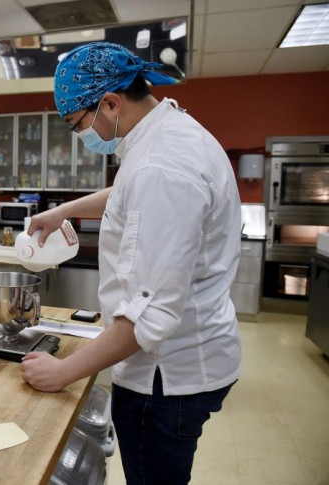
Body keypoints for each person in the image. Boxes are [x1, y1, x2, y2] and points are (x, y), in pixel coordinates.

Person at [20, 42, 242, 485]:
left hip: (166, 378)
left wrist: (62, 372)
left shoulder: (161, 166)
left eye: (76, 124)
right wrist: (64, 211)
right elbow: (127, 194)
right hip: (194, 352)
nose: (80, 135)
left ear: (110, 103)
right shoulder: (167, 134)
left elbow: (151, 317)